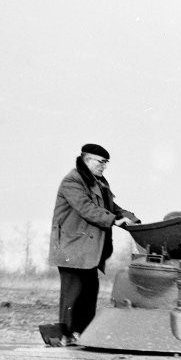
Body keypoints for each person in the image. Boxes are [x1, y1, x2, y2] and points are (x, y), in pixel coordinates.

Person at [47, 143, 139, 344]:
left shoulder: (98, 182)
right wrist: (114, 220)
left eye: (106, 163)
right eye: (101, 162)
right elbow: (86, 208)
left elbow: (112, 207)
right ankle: (66, 336)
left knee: (89, 294)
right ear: (87, 159)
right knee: (73, 295)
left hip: (88, 251)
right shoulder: (72, 181)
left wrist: (132, 219)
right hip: (73, 249)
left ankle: (84, 335)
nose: (104, 166)